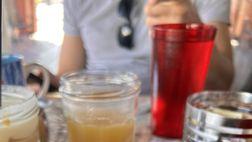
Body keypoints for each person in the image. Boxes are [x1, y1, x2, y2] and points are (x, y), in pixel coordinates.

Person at [57, 0, 234, 93]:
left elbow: (221, 84)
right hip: (94, 110)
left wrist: (193, 31)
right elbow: (67, 75)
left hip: (173, 119)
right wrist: (42, 80)